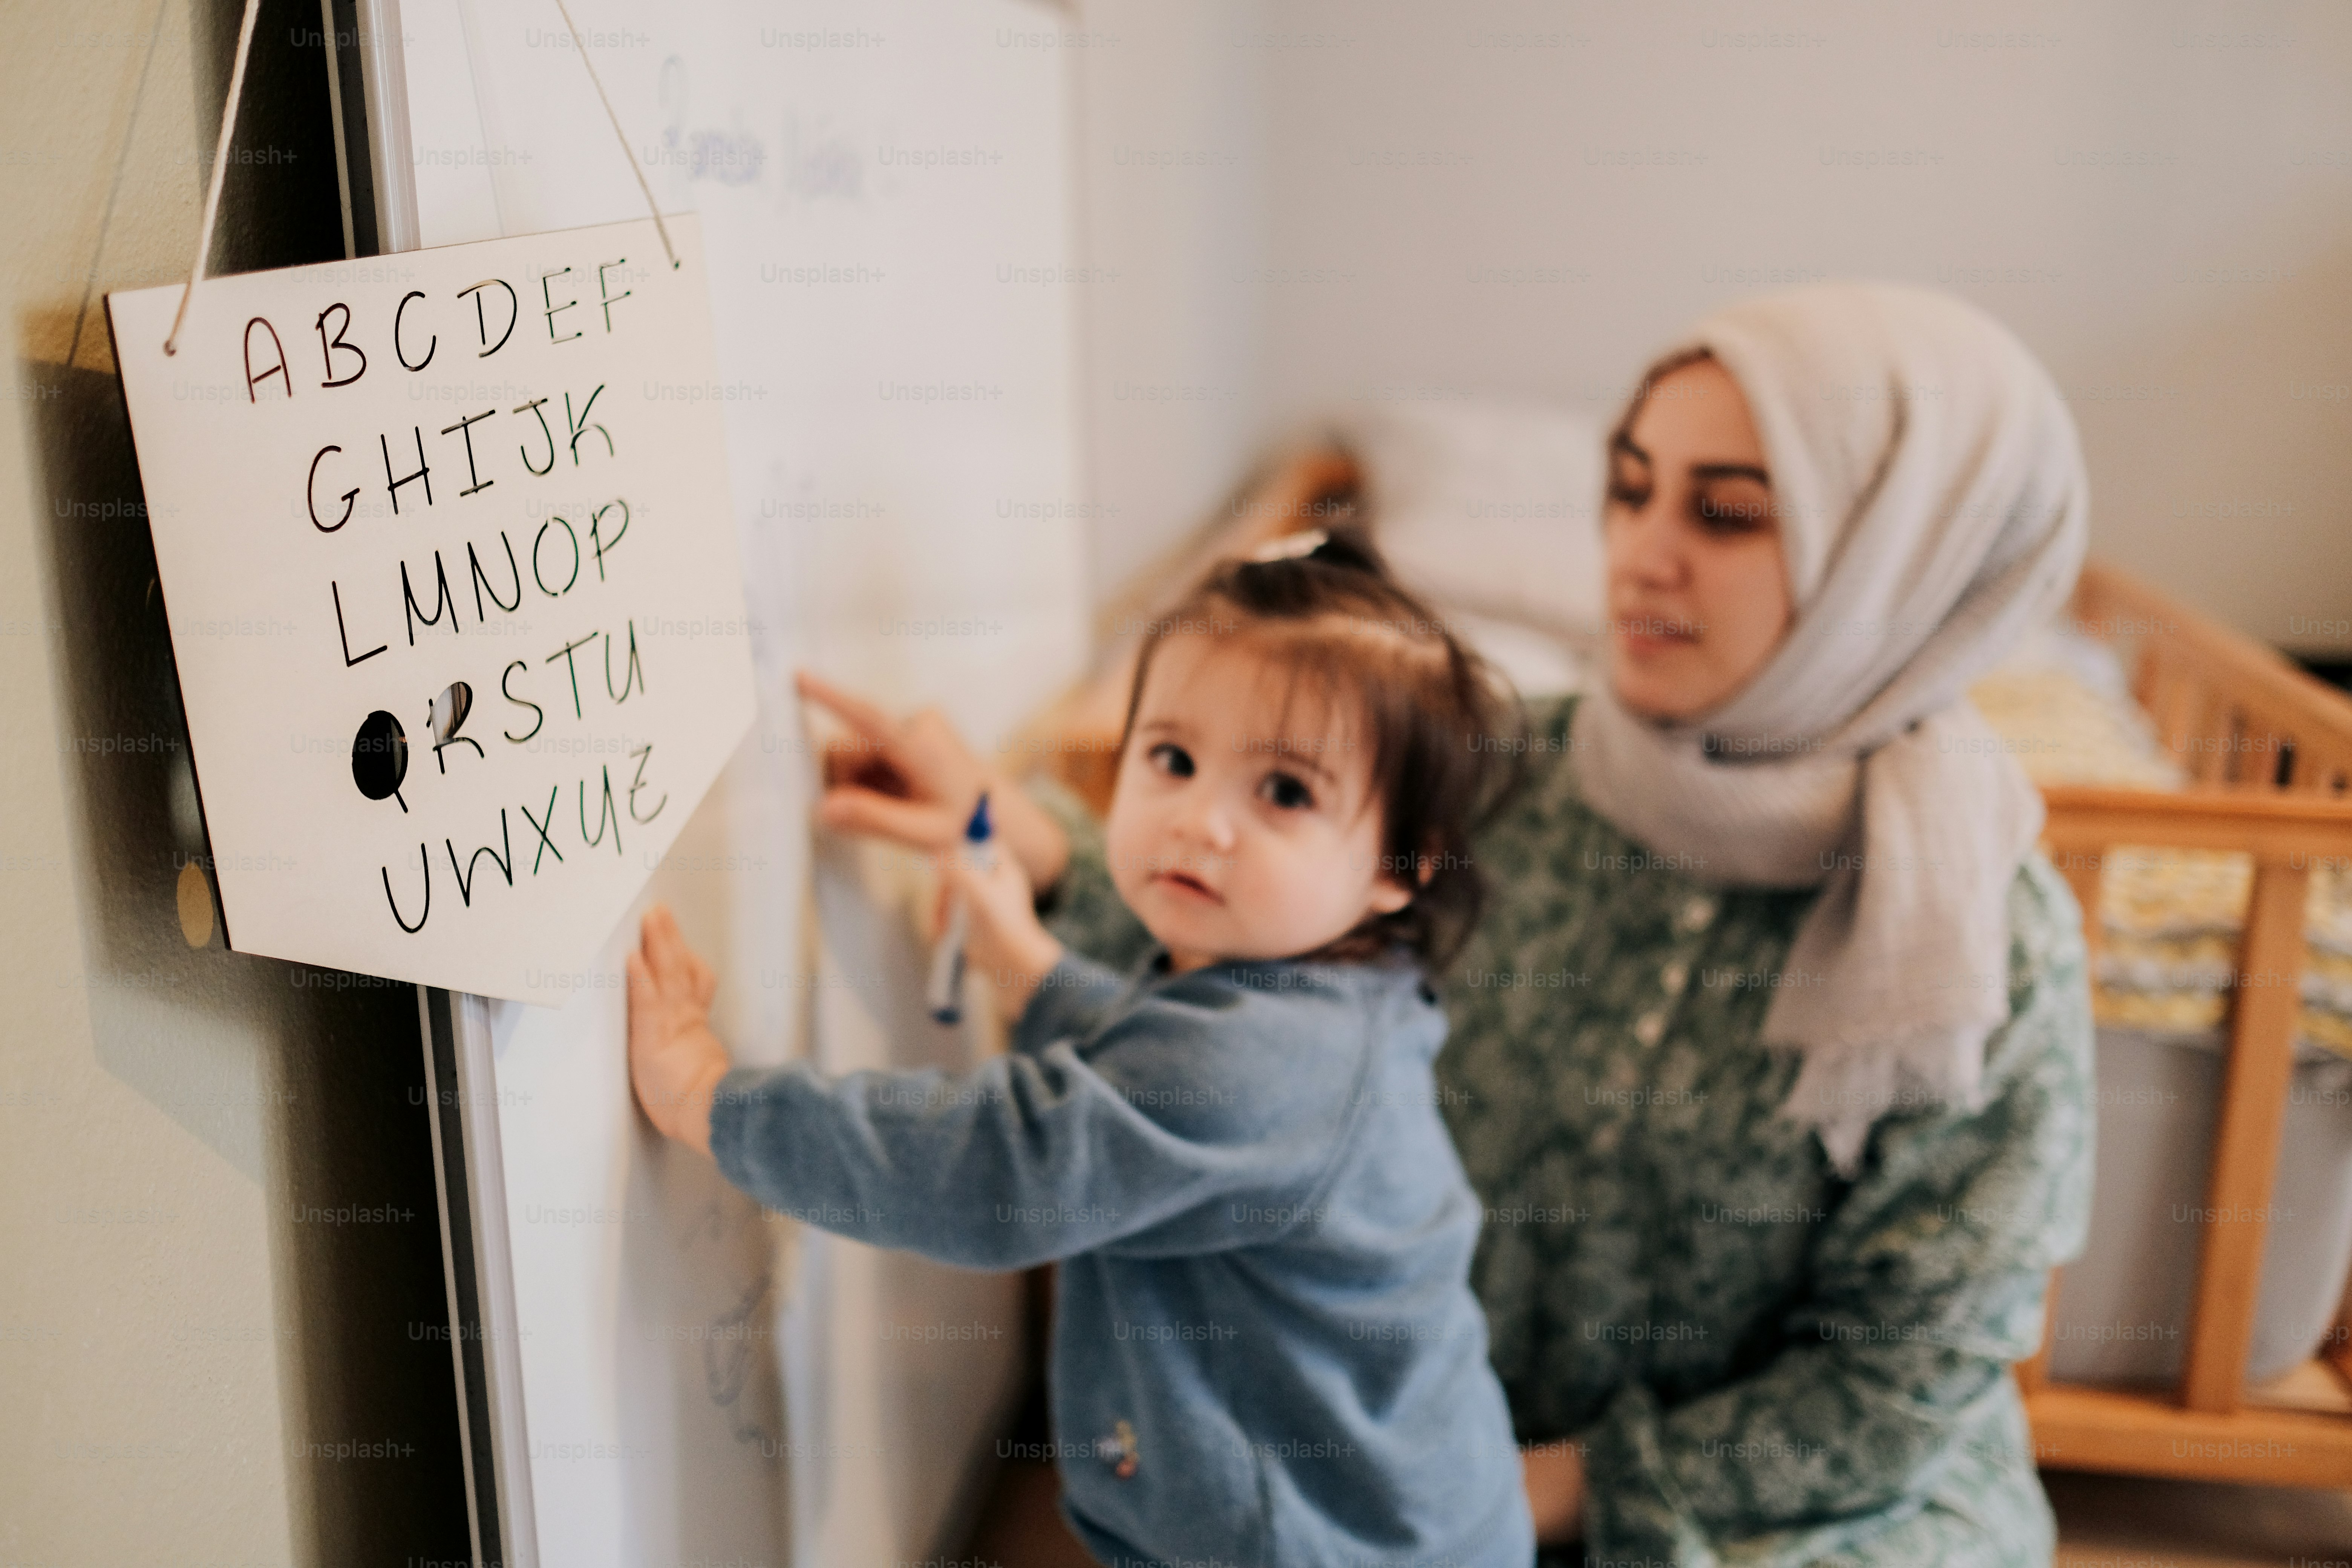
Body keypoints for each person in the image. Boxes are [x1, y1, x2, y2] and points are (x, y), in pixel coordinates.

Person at [793, 282, 2098, 1565]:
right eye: (1631, 486)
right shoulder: (1505, 766)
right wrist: (1019, 839)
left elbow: (1895, 1394)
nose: (1644, 551)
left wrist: (1523, 1497)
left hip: (1776, 1512)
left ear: (1900, 560)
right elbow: (1275, 942)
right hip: (1419, 1448)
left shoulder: (1988, 946)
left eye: (1730, 514)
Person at [627, 531, 1538, 1568]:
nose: (1202, 821)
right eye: (1173, 760)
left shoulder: (1264, 1065)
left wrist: (714, 1097)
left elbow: (999, 1166)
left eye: (1284, 792)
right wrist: (1035, 973)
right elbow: (1154, 1074)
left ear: (1399, 867)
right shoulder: (1329, 996)